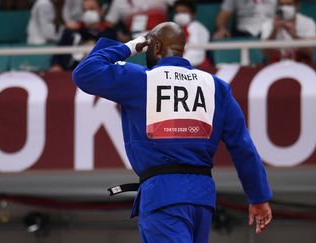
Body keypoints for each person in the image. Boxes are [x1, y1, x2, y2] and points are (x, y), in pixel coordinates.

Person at [73, 22, 272, 242]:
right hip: (202, 199)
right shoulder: (216, 87)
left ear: (156, 46)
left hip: (162, 194)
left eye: (148, 45)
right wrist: (258, 196)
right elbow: (243, 147)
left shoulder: (140, 79)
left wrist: (131, 46)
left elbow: (85, 72)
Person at [50, 0, 117, 71]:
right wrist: (56, 66)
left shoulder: (109, 32)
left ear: (101, 11)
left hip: (98, 74)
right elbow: (57, 56)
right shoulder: (71, 31)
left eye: (92, 9)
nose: (88, 13)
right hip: (71, 74)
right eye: (85, 10)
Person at [104, 0, 173, 40]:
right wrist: (120, 36)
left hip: (162, 38)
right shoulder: (119, 1)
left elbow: (181, 4)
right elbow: (108, 24)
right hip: (135, 41)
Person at [173, 0, 211, 69]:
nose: (180, 15)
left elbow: (196, 54)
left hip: (199, 68)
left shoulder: (199, 29)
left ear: (193, 14)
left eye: (184, 12)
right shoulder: (173, 30)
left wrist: (175, 63)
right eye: (177, 12)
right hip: (179, 67)